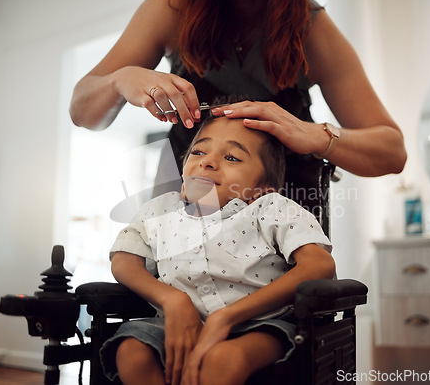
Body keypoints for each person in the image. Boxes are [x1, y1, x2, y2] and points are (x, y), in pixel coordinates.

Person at [69, 0, 407, 205]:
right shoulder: (172, 9)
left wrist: (316, 135)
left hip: (275, 243)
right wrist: (121, 78)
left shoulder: (311, 28)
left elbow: (392, 152)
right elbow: (82, 112)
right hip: (181, 224)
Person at [101, 113, 336, 385]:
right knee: (132, 352)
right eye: (199, 151)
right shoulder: (160, 210)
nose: (207, 161)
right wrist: (172, 300)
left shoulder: (271, 209)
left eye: (232, 157)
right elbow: (124, 261)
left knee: (224, 360)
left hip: (260, 324)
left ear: (260, 190)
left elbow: (319, 265)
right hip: (172, 324)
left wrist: (225, 317)